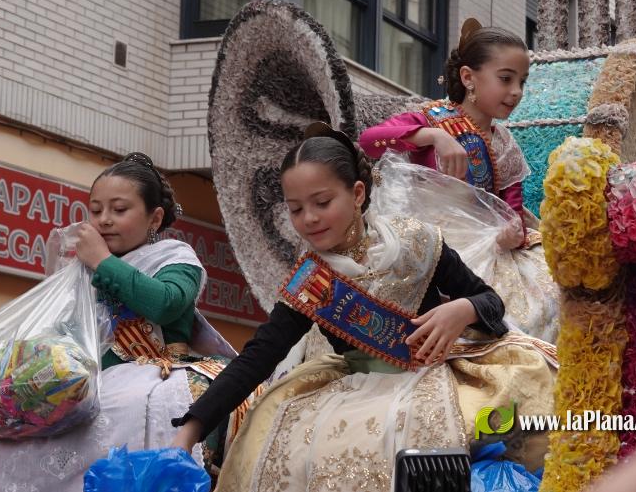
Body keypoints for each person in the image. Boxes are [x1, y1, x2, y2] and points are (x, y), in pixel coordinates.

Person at [171, 123, 556, 492]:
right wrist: (189, 430)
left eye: (322, 202)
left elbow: (490, 301)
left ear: (357, 194)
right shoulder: (311, 283)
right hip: (355, 394)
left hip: (438, 378)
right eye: (295, 209)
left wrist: (463, 310)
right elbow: (257, 358)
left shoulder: (417, 242)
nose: (309, 219)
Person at [0, 153, 239, 492]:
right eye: (96, 210)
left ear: (154, 218)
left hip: (155, 371)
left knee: (118, 410)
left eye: (119, 209)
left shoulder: (175, 257)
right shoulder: (80, 268)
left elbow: (165, 305)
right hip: (89, 380)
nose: (105, 220)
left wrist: (102, 262)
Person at [358, 19, 560, 341]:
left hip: (488, 251)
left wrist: (512, 234)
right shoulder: (429, 118)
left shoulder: (505, 145)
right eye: (505, 79)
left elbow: (513, 212)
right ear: (468, 77)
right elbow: (371, 140)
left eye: (521, 82)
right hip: (424, 245)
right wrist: (432, 136)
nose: (516, 92)